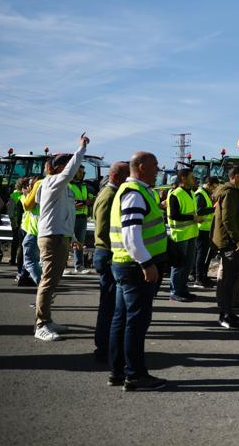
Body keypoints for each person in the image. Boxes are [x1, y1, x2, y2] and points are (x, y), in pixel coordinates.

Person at [108, 151, 167, 390]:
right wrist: (146, 263)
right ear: (141, 166)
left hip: (125, 265)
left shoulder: (134, 191)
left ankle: (118, 372)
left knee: (121, 320)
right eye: (155, 166)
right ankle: (135, 375)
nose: (158, 170)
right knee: (136, 322)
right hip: (135, 268)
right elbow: (131, 235)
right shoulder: (134, 193)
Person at [34, 134, 88, 342]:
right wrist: (80, 149)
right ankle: (41, 325)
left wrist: (72, 235)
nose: (72, 171)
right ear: (57, 168)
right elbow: (70, 170)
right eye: (65, 166)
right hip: (51, 237)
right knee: (48, 281)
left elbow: (67, 214)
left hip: (61, 236)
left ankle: (46, 320)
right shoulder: (52, 183)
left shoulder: (64, 188)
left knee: (53, 280)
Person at [92, 161, 129, 362]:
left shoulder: (107, 193)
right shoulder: (110, 196)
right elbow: (104, 231)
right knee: (109, 305)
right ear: (116, 177)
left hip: (106, 253)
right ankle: (104, 346)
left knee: (111, 304)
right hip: (108, 254)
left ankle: (107, 344)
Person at [213, 166, 239, 329]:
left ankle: (230, 312)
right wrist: (237, 241)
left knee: (232, 279)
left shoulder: (236, 191)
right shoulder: (230, 193)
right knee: (228, 281)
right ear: (235, 176)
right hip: (230, 243)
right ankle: (224, 315)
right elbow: (228, 220)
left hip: (234, 242)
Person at [166, 169, 198, 303]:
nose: (194, 179)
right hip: (179, 236)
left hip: (191, 234)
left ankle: (183, 289)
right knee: (179, 265)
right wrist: (193, 218)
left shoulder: (191, 193)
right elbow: (174, 215)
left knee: (188, 265)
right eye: (191, 177)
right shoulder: (175, 194)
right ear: (183, 178)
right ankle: (174, 291)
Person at [193, 176, 219, 290]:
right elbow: (199, 211)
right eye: (214, 186)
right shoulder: (200, 194)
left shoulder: (205, 193)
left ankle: (203, 276)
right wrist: (213, 209)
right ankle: (198, 278)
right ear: (208, 183)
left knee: (205, 255)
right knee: (201, 255)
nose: (214, 189)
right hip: (201, 229)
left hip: (207, 229)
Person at [68, 166, 93, 274]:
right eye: (80, 172)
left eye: (83, 172)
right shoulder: (68, 185)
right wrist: (73, 204)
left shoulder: (84, 185)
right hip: (71, 216)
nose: (83, 174)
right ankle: (62, 266)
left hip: (82, 216)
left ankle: (79, 266)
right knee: (66, 241)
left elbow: (90, 196)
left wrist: (90, 200)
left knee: (80, 242)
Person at [19, 177, 43, 286]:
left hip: (34, 231)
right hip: (41, 232)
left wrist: (28, 194)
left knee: (29, 261)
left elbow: (27, 206)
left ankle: (42, 284)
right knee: (36, 260)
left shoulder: (31, 197)